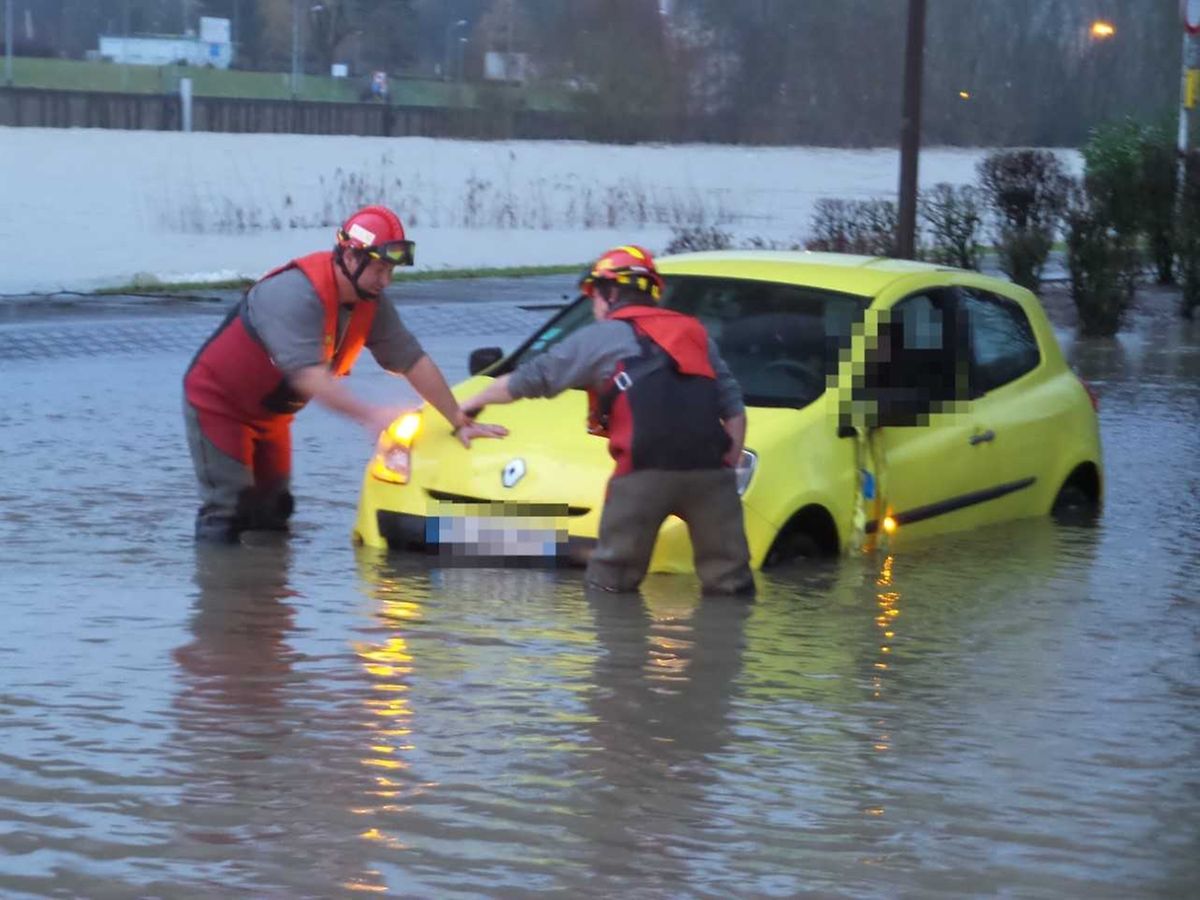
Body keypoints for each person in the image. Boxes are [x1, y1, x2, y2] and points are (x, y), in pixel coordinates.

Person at [183, 204, 506, 543]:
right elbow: (308, 377)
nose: (387, 280)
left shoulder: (372, 300)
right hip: (218, 405)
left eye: (391, 270)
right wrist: (369, 415)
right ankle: (219, 588)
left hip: (271, 417)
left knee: (274, 511)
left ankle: (267, 591)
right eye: (380, 269)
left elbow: (412, 360)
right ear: (351, 257)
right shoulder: (295, 294)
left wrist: (458, 418)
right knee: (227, 512)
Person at [461, 244, 754, 595]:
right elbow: (733, 408)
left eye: (595, 297)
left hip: (642, 475)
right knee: (731, 585)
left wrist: (471, 404)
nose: (595, 308)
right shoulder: (695, 332)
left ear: (610, 292)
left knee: (610, 585)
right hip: (711, 477)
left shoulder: (601, 336)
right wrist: (725, 467)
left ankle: (621, 646)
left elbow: (533, 378)